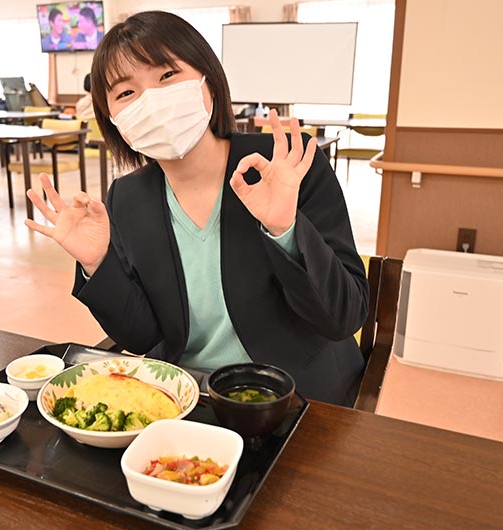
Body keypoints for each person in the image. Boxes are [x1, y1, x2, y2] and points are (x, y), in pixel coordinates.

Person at [25, 11, 369, 406]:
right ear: (113, 119)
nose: (150, 100)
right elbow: (142, 337)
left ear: (208, 79)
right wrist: (98, 263)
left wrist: (285, 231)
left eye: (167, 76)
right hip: (186, 400)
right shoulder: (126, 197)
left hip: (296, 400)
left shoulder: (285, 165)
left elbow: (345, 316)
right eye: (125, 93)